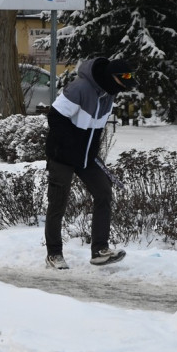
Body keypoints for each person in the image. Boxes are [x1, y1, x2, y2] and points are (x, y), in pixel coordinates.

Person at [44, 57, 137, 269]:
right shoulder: (80, 88)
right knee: (58, 202)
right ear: (113, 78)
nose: (123, 89)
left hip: (85, 157)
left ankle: (100, 250)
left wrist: (91, 151)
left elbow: (95, 131)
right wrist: (70, 144)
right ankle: (54, 254)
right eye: (123, 84)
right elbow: (55, 118)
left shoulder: (108, 95)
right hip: (61, 154)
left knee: (104, 192)